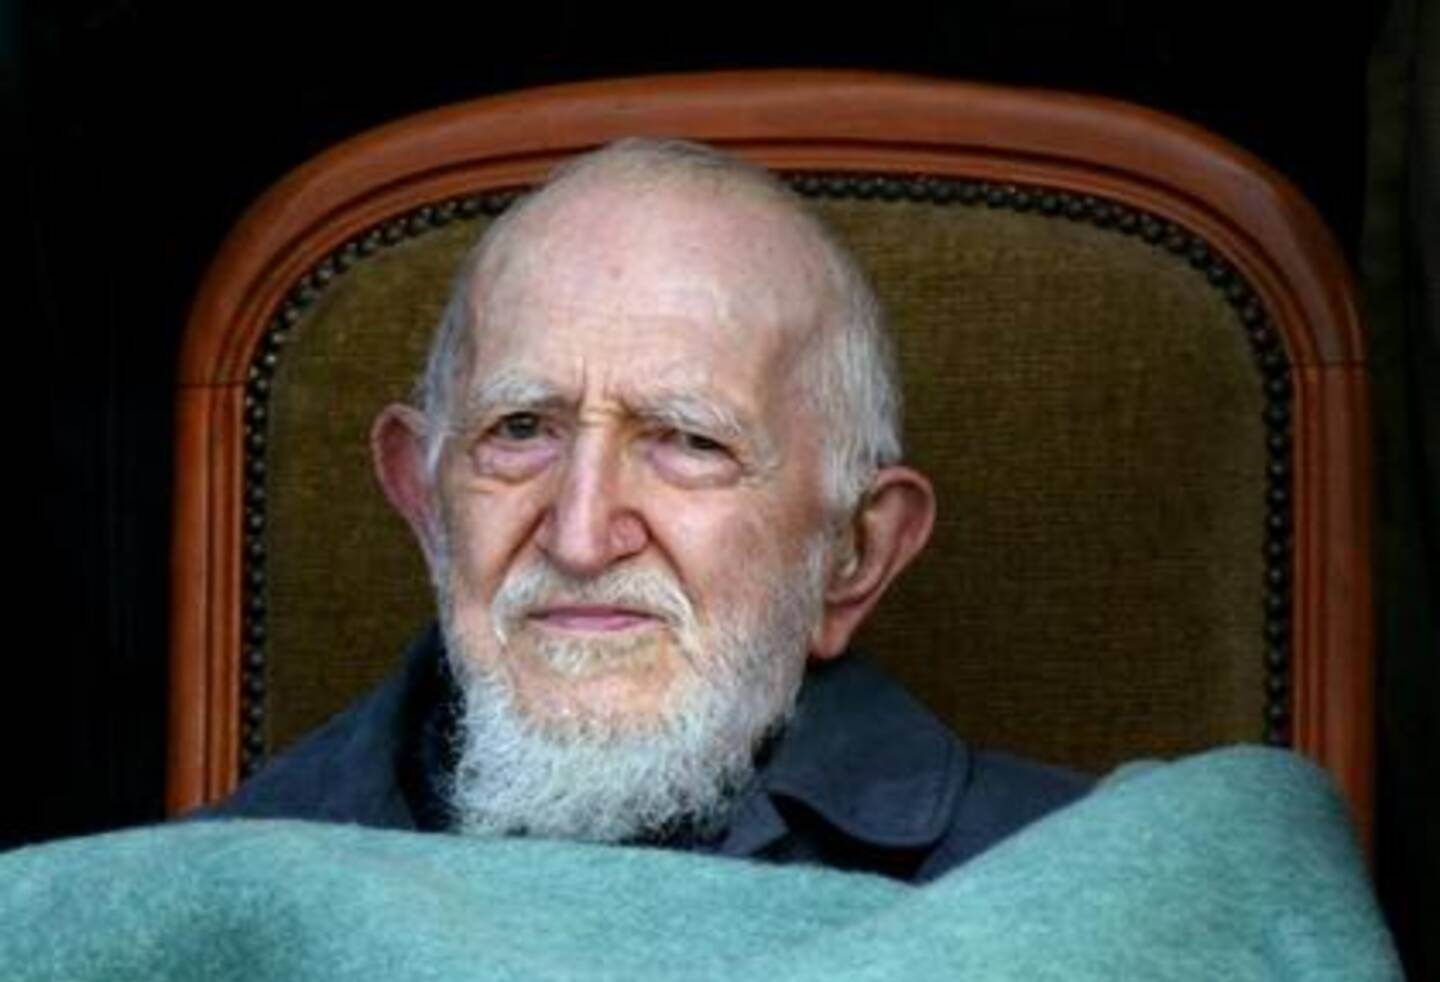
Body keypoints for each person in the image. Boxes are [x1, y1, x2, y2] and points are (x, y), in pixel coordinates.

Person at [204, 138, 1086, 880]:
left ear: (854, 551)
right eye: (521, 429)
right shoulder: (205, 896)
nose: (581, 536)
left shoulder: (1068, 894)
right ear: (430, 505)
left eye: (690, 441)